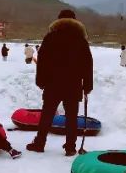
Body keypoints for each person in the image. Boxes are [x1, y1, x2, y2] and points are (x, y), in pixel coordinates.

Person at [26, 9, 93, 157]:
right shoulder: (80, 40)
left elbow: (42, 61)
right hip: (73, 84)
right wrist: (87, 85)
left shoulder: (50, 37)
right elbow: (87, 64)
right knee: (71, 117)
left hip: (53, 83)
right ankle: (70, 147)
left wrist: (41, 81)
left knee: (47, 115)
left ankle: (39, 143)